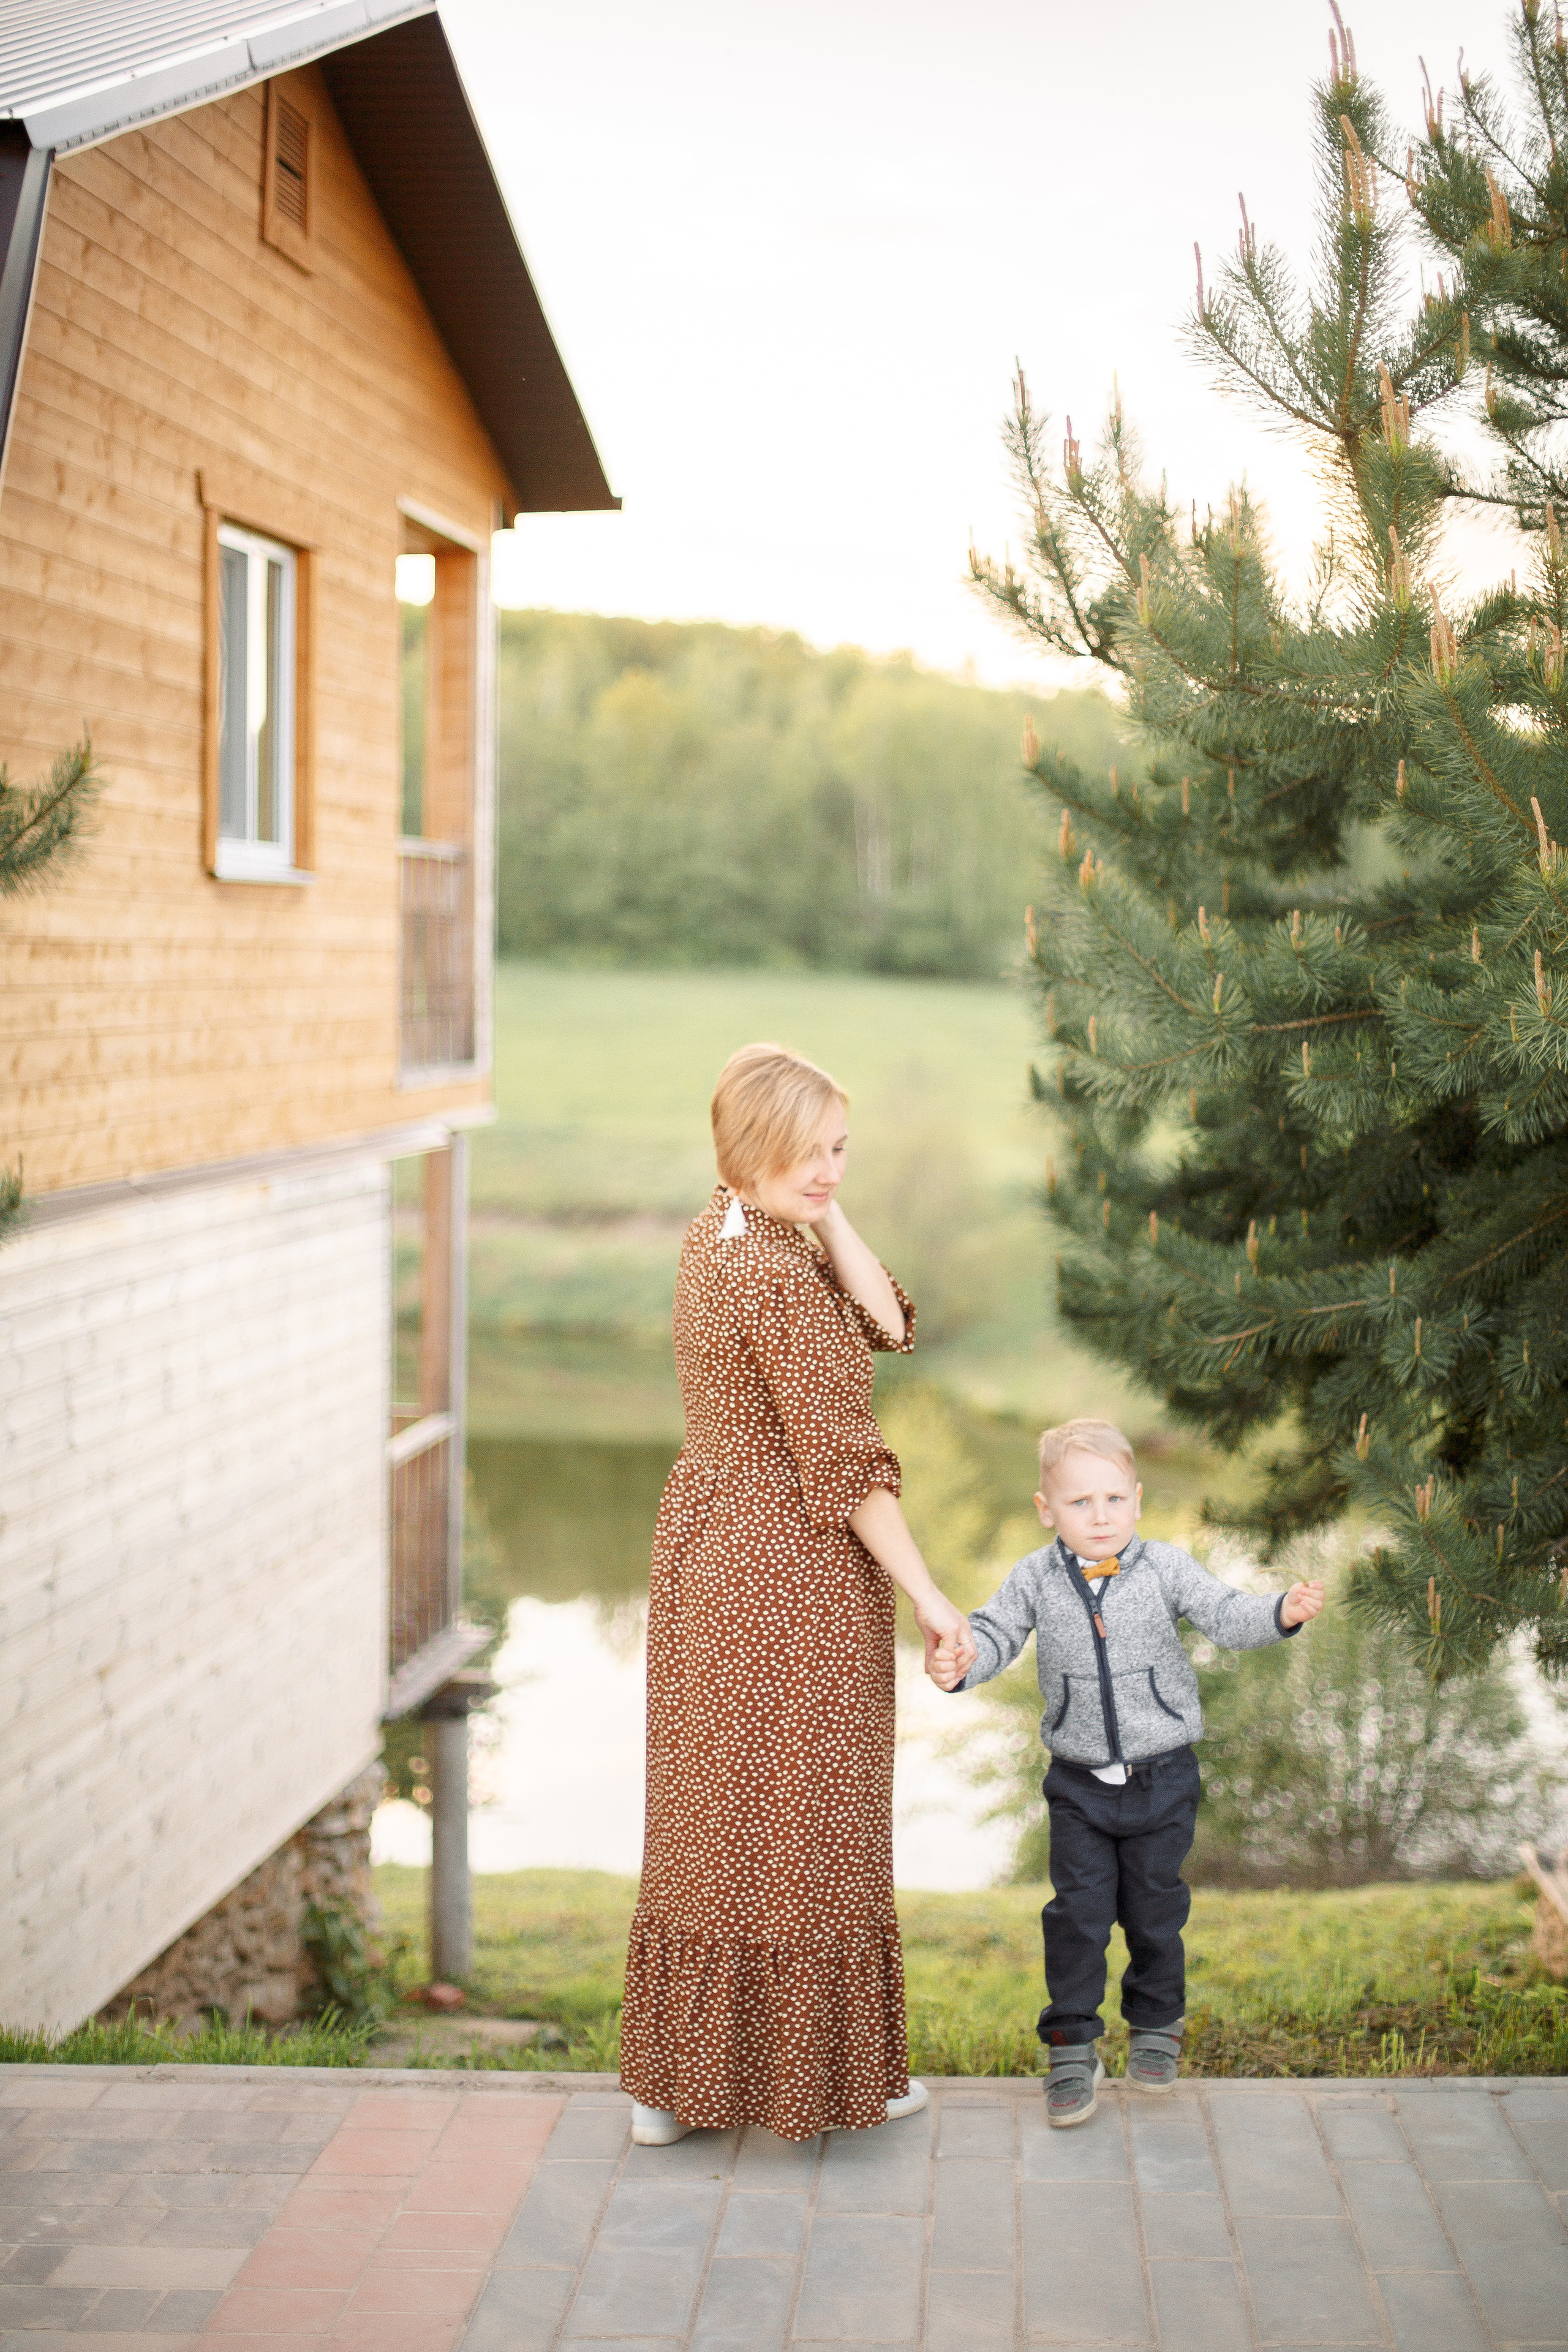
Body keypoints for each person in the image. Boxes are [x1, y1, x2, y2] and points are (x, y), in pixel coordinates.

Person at [620, 1042, 977, 2144]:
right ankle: (823, 2083)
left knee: (712, 1817)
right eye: (813, 1152)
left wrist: (819, 1205)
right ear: (755, 1150)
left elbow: (889, 1323)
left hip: (705, 1557)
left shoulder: (722, 1229)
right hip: (792, 1568)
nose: (832, 1171)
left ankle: (670, 2091)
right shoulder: (773, 1278)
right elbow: (847, 1466)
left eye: (839, 1151)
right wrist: (928, 1594)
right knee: (811, 1822)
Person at [929, 1415, 1324, 2127]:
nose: (1099, 1516)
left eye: (1113, 1499)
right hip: (1078, 1784)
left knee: (1153, 1911)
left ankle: (1155, 2027)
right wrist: (960, 1665)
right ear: (1046, 1509)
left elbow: (1225, 1613)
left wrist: (1280, 1613)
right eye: (1079, 1503)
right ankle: (1072, 2047)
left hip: (1162, 1777)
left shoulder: (1165, 1568)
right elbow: (991, 1635)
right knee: (1076, 1918)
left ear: (1137, 1500)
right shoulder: (1035, 1578)